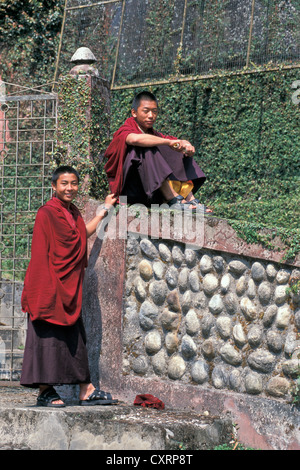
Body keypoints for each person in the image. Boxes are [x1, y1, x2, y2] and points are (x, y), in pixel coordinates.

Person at [20, 165, 118, 407]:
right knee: (47, 336)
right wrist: (45, 288)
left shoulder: (72, 212)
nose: (70, 188)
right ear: (54, 186)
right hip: (49, 284)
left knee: (74, 336)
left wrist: (105, 209)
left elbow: (81, 234)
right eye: (64, 183)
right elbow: (43, 252)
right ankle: (45, 391)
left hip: (68, 286)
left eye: (74, 183)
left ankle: (86, 389)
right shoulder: (47, 212)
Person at [104, 90, 212, 212]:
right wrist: (168, 142)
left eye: (154, 111)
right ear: (134, 112)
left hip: (150, 189)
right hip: (129, 190)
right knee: (147, 146)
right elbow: (135, 139)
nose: (151, 115)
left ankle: (189, 199)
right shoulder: (124, 130)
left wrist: (185, 145)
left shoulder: (152, 133)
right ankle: (173, 199)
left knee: (177, 150)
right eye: (146, 111)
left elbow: (173, 141)